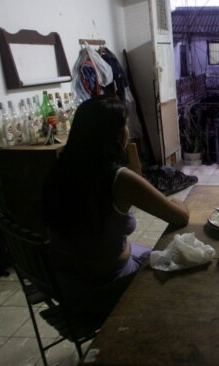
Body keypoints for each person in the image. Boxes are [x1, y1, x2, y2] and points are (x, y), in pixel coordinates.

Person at [42, 96, 189, 321]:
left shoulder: (58, 171)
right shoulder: (118, 179)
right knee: (182, 268)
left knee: (149, 251)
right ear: (115, 134)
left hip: (64, 284)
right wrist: (177, 202)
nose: (128, 130)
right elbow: (180, 216)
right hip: (102, 290)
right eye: (126, 124)